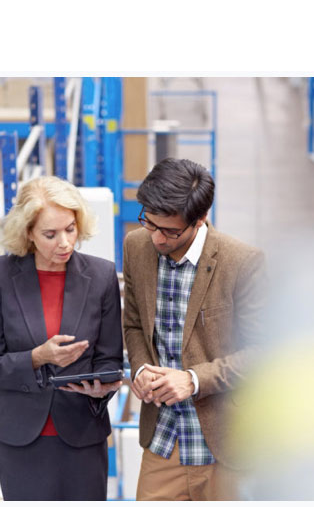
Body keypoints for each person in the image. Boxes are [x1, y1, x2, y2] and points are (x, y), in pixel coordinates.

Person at [123, 158, 266, 500]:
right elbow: (133, 323)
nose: (156, 237)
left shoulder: (241, 262)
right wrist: (141, 368)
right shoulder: (136, 246)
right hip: (163, 439)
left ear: (199, 219)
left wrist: (193, 380)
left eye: (170, 231)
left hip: (225, 447)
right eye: (149, 222)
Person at [0, 176, 124, 500]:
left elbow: (109, 358)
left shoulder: (101, 276)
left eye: (70, 229)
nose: (65, 243)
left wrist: (102, 388)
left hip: (83, 434)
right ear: (28, 232)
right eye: (50, 234)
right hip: (20, 439)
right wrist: (37, 357)